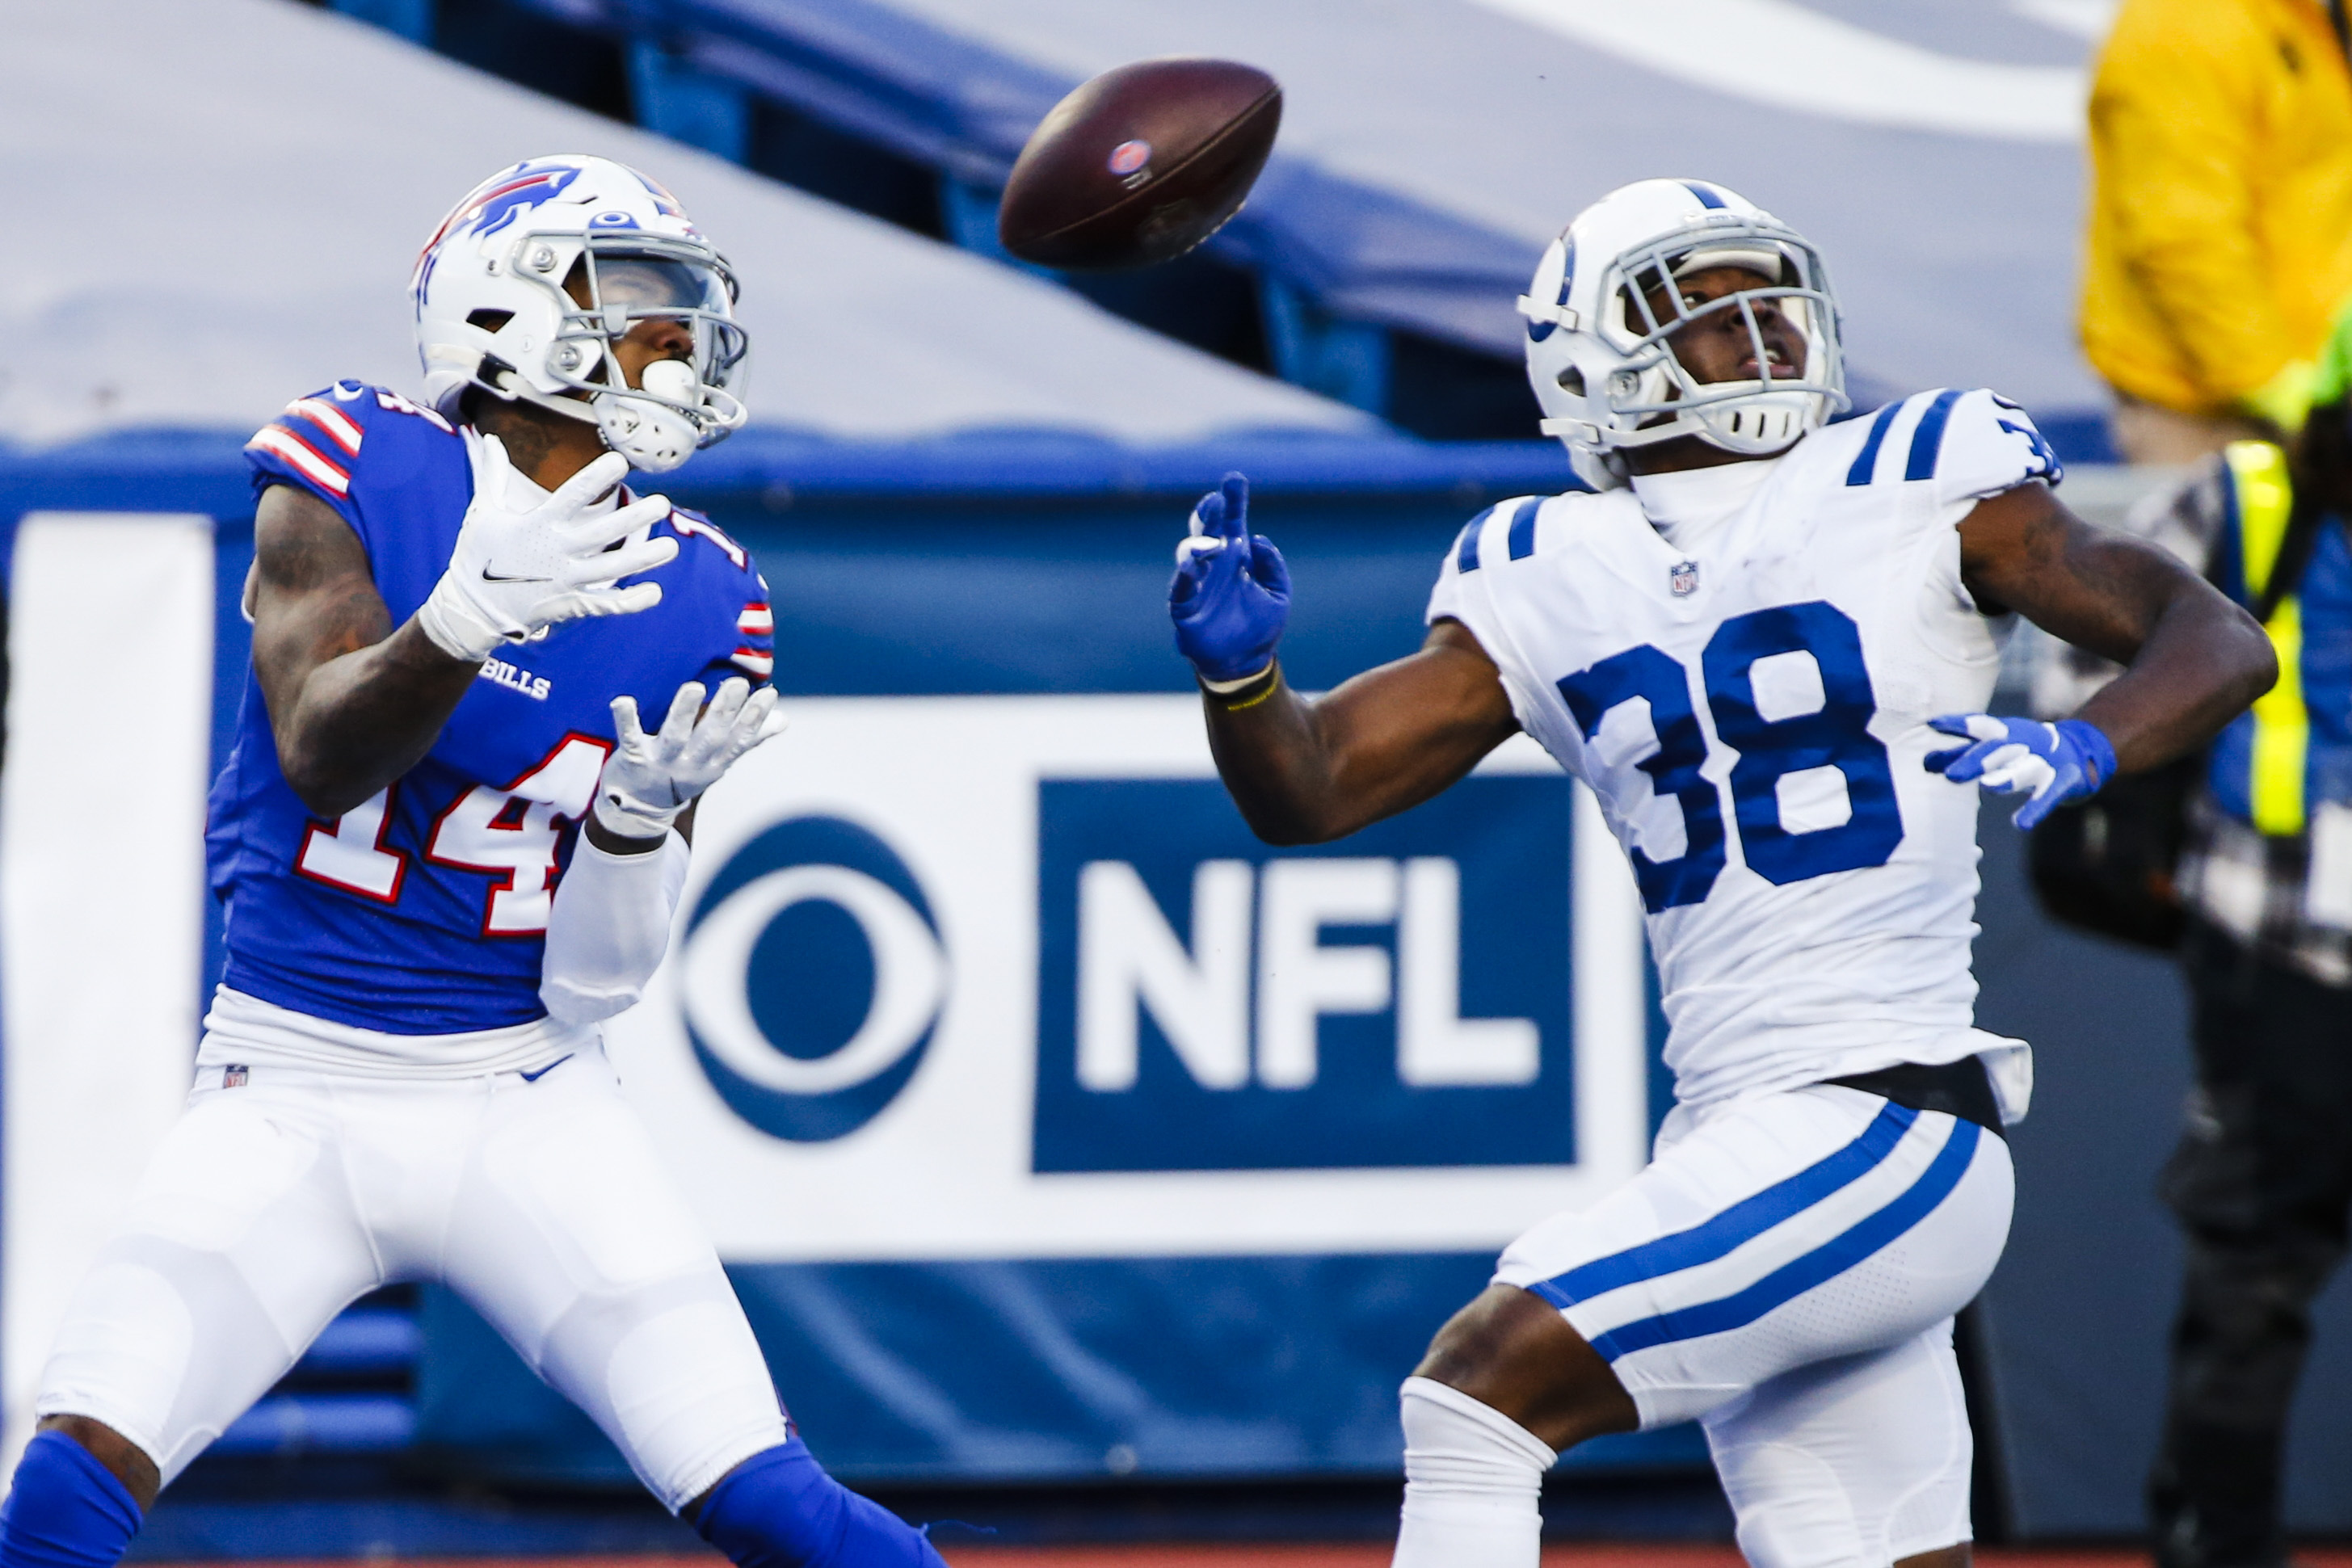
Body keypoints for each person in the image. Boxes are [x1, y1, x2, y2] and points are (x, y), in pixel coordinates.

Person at [1168, 179, 2277, 1568]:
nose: (1755, 332)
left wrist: (2087, 742)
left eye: (1765, 293)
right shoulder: (1541, 565)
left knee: (1477, 1392)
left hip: (1877, 1121)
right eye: (1699, 308)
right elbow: (1313, 785)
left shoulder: (1917, 475)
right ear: (1590, 358)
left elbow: (2212, 635)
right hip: (1745, 1132)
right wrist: (1244, 679)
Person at [0, 156, 945, 1568]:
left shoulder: (706, 587)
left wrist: (633, 825)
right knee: (64, 1495)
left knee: (775, 1505)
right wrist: (458, 619)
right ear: (507, 310)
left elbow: (596, 987)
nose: (674, 341)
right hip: (291, 1088)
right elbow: (322, 753)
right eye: (638, 303)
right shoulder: (355, 464)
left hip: (527, 1097)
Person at [2037, 309, 2352, 1568]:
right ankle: (2212, 1548)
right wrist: (2128, 826)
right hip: (2273, 939)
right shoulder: (2245, 502)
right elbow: (2085, 665)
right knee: (2251, 1269)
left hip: (2271, 920)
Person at [2081, 0, 2352, 465]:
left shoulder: (2316, 15)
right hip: (2207, 423)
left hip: (2322, 404)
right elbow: (2183, 242)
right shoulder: (2183, 24)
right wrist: (2293, 398)